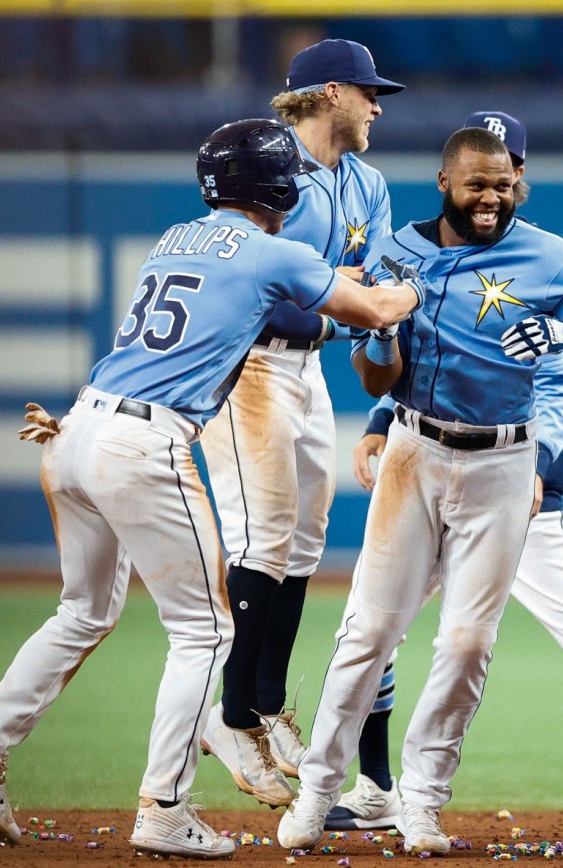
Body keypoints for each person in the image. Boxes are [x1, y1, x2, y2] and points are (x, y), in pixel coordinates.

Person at [0, 119, 420, 860]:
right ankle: (164, 806)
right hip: (144, 442)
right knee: (205, 631)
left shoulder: (174, 239)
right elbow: (378, 312)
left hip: (80, 427)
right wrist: (423, 283)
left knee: (81, 611)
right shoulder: (271, 252)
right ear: (277, 186)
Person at [277, 126, 563, 854]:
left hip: (504, 462)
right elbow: (376, 379)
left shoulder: (547, 254)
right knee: (370, 630)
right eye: (477, 184)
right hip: (416, 451)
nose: (491, 199)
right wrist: (382, 333)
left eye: (503, 185)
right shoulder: (394, 254)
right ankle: (317, 792)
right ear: (444, 181)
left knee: (470, 641)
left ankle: (423, 803)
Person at [197, 39, 405, 808]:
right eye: (366, 91)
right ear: (326, 94)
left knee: (305, 539)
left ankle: (266, 700)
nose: (377, 105)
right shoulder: (267, 170)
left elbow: (373, 284)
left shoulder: (369, 182)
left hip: (308, 364)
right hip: (248, 364)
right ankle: (232, 712)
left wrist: (344, 298)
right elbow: (249, 288)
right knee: (265, 531)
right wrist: (335, 293)